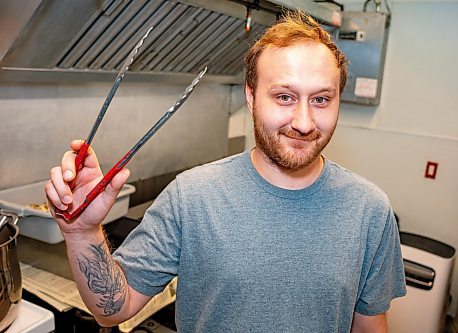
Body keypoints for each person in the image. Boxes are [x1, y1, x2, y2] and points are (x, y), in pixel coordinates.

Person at [46, 10, 406, 333]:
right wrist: (82, 232)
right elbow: (114, 310)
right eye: (284, 97)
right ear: (251, 96)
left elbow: (370, 326)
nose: (303, 122)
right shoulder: (192, 196)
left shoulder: (370, 210)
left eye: (321, 99)